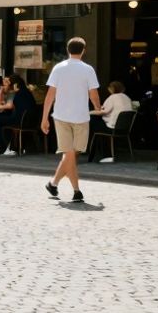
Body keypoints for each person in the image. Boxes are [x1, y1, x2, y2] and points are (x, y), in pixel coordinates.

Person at [41, 37, 102, 203]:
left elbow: (50, 95)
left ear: (68, 50)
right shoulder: (88, 69)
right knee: (71, 154)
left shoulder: (58, 68)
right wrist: (98, 107)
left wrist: (44, 118)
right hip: (81, 117)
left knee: (68, 154)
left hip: (60, 116)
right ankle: (76, 191)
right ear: (83, 50)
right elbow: (93, 94)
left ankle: (54, 184)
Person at [0, 74, 33, 156]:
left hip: (21, 120)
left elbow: (9, 106)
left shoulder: (19, 93)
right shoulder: (25, 92)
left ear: (15, 84)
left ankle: (0, 147)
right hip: (27, 120)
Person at [88, 81, 132, 163]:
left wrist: (88, 112)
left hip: (112, 127)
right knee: (97, 127)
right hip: (123, 129)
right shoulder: (127, 98)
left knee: (92, 121)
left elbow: (104, 111)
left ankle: (103, 154)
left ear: (112, 88)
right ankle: (99, 152)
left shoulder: (113, 97)